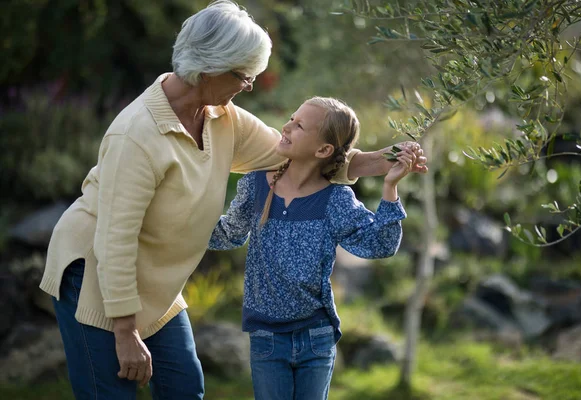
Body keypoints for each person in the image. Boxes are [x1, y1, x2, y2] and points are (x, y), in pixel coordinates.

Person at [39, 1, 427, 399]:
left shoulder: (220, 116)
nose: (249, 86)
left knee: (185, 388)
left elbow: (293, 155)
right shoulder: (135, 135)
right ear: (208, 70)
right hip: (97, 273)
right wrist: (125, 331)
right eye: (244, 75)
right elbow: (113, 239)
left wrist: (378, 162)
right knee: (112, 392)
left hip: (155, 279)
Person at [208, 96, 420, 400]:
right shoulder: (254, 185)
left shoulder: (336, 200)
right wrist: (179, 220)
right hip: (266, 336)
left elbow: (379, 245)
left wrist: (390, 187)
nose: (286, 126)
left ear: (323, 150)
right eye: (291, 119)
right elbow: (229, 234)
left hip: (316, 337)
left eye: (299, 126)